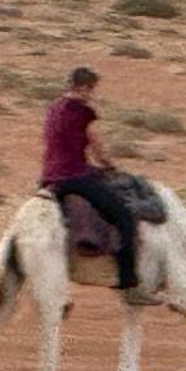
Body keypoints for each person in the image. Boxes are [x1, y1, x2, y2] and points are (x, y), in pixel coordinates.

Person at [40, 67, 157, 305]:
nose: (93, 94)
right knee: (124, 215)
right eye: (92, 89)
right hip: (74, 176)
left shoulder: (53, 108)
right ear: (83, 88)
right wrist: (111, 165)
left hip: (49, 177)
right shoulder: (85, 112)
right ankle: (129, 283)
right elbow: (98, 150)